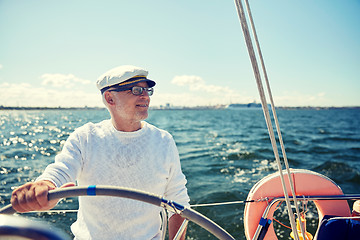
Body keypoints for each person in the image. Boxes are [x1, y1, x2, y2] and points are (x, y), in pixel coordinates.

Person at [11, 65, 190, 240]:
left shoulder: (163, 141)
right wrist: (46, 185)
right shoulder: (86, 137)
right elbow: (61, 169)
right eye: (136, 90)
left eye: (147, 90)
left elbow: (178, 200)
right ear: (110, 98)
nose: (146, 97)